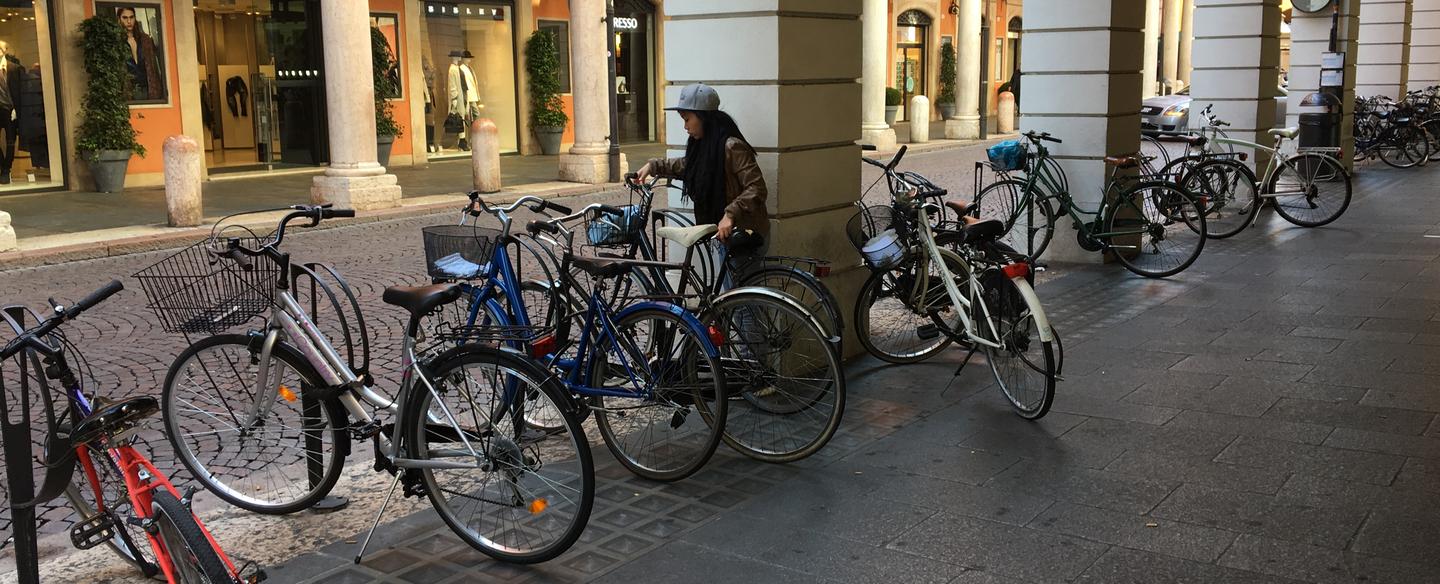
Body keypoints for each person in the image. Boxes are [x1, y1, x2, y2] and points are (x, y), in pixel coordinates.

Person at [634, 83, 768, 246]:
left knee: (740, 272)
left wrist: (730, 214)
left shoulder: (732, 146)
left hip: (746, 235)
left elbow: (757, 188)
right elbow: (686, 165)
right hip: (726, 234)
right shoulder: (704, 146)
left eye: (687, 119)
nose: (685, 126)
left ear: (704, 117)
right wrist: (653, 166)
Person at [117, 6, 164, 101]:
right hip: (128, 91)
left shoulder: (145, 40)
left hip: (149, 88)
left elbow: (154, 66)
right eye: (125, 18)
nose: (129, 21)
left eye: (131, 17)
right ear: (119, 19)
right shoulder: (117, 42)